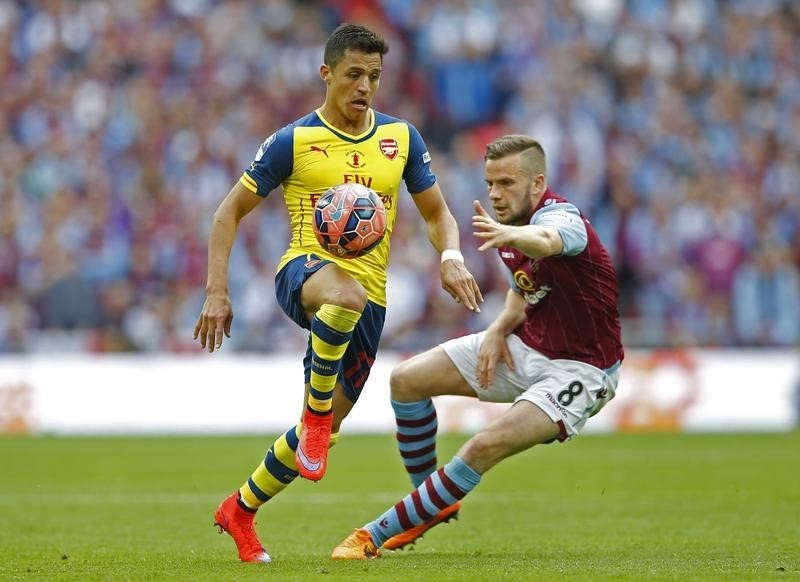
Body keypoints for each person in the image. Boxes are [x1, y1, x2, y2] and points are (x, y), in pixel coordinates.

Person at [192, 23, 482, 564]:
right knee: (341, 304)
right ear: (326, 74)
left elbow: (438, 212)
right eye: (353, 74)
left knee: (319, 419)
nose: (365, 86)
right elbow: (227, 212)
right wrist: (216, 290)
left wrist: (450, 256)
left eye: (373, 75)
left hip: (369, 302)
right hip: (304, 272)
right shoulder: (294, 141)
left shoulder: (401, 139)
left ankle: (239, 509)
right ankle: (319, 420)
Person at [331, 134, 624, 559]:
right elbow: (523, 292)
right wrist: (497, 329)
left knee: (483, 446)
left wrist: (509, 233)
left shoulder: (563, 219)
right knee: (406, 380)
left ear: (537, 184)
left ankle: (373, 535)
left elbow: (549, 243)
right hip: (526, 346)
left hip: (581, 370)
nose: (495, 194)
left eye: (507, 183)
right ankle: (430, 502)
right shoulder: (504, 229)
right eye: (490, 183)